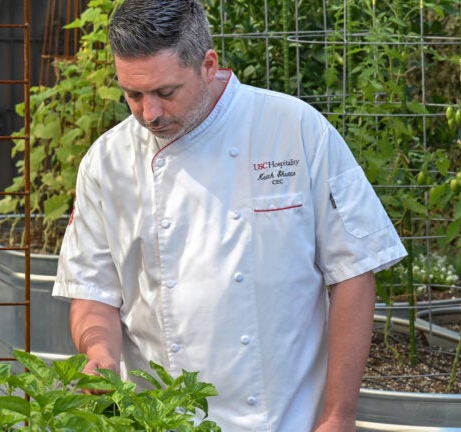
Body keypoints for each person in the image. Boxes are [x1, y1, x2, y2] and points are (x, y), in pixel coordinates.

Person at [52, 0, 407, 430]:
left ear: (208, 64)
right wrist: (99, 353)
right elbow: (93, 289)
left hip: (283, 418)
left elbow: (353, 272)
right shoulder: (106, 161)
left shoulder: (294, 129)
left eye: (166, 92)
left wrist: (339, 415)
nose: (150, 113)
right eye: (133, 94)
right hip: (157, 417)